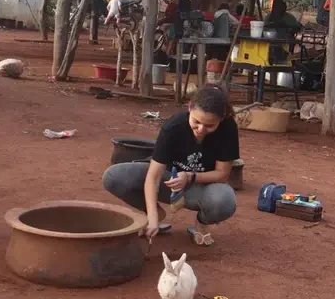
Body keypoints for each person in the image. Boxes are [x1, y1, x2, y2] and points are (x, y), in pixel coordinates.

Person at [102, 84, 238, 247]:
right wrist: (152, 218)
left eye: (210, 126)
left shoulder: (228, 129)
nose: (201, 129)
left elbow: (222, 174)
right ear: (190, 107)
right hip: (167, 180)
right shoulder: (173, 127)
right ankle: (155, 214)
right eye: (196, 121)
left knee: (224, 200)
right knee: (114, 176)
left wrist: (189, 176)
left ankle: (201, 222)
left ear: (221, 120)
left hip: (200, 186)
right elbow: (153, 177)